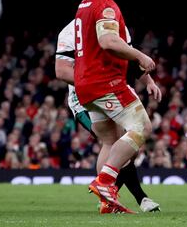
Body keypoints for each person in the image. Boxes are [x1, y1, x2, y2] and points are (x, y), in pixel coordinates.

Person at [75, 0, 157, 213]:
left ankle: (107, 202)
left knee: (110, 141)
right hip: (106, 82)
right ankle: (105, 181)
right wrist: (139, 56)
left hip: (85, 86)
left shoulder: (83, 6)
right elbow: (108, 41)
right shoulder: (104, 4)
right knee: (142, 126)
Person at [55, 18, 161, 213]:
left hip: (113, 88)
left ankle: (109, 196)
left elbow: (129, 58)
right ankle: (138, 197)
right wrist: (93, 83)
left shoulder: (115, 24)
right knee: (113, 140)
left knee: (128, 146)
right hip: (84, 99)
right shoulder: (70, 31)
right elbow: (62, 71)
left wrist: (149, 82)